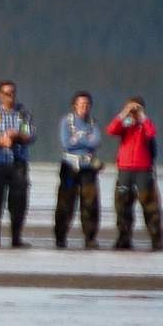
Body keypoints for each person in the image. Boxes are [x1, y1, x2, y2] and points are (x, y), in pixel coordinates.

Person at [106, 95, 163, 250]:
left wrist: (142, 116)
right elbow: (111, 130)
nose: (133, 110)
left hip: (143, 169)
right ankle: (124, 238)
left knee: (150, 205)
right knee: (122, 205)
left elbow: (152, 133)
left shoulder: (145, 124)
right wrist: (124, 113)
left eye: (136, 107)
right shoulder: (125, 123)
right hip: (125, 169)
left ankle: (156, 239)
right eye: (132, 107)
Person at [0, 80, 35, 247]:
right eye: (6, 93)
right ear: (0, 95)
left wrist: (17, 136)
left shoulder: (24, 114)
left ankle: (16, 238)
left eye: (12, 93)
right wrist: (2, 141)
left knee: (19, 202)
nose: (9, 97)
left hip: (18, 164)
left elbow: (31, 135)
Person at [55, 90, 103, 248]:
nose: (84, 107)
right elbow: (66, 143)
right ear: (75, 106)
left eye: (87, 104)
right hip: (69, 167)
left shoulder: (93, 123)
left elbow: (96, 142)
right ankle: (61, 238)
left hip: (88, 168)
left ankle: (90, 238)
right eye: (81, 104)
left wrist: (77, 138)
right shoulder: (66, 122)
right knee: (65, 203)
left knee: (90, 204)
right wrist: (85, 139)